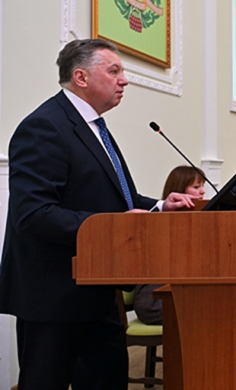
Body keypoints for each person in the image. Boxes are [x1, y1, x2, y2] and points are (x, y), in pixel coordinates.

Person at [0, 39, 195, 389]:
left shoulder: (93, 126)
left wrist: (160, 205)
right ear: (81, 77)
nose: (124, 80)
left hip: (98, 287)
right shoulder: (45, 126)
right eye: (114, 71)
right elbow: (33, 214)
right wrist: (114, 226)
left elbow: (116, 198)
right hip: (53, 294)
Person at [133, 166, 209, 325]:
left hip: (179, 296)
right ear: (179, 190)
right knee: (214, 308)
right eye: (196, 187)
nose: (202, 191)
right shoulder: (159, 226)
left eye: (203, 186)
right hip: (154, 302)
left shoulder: (196, 222)